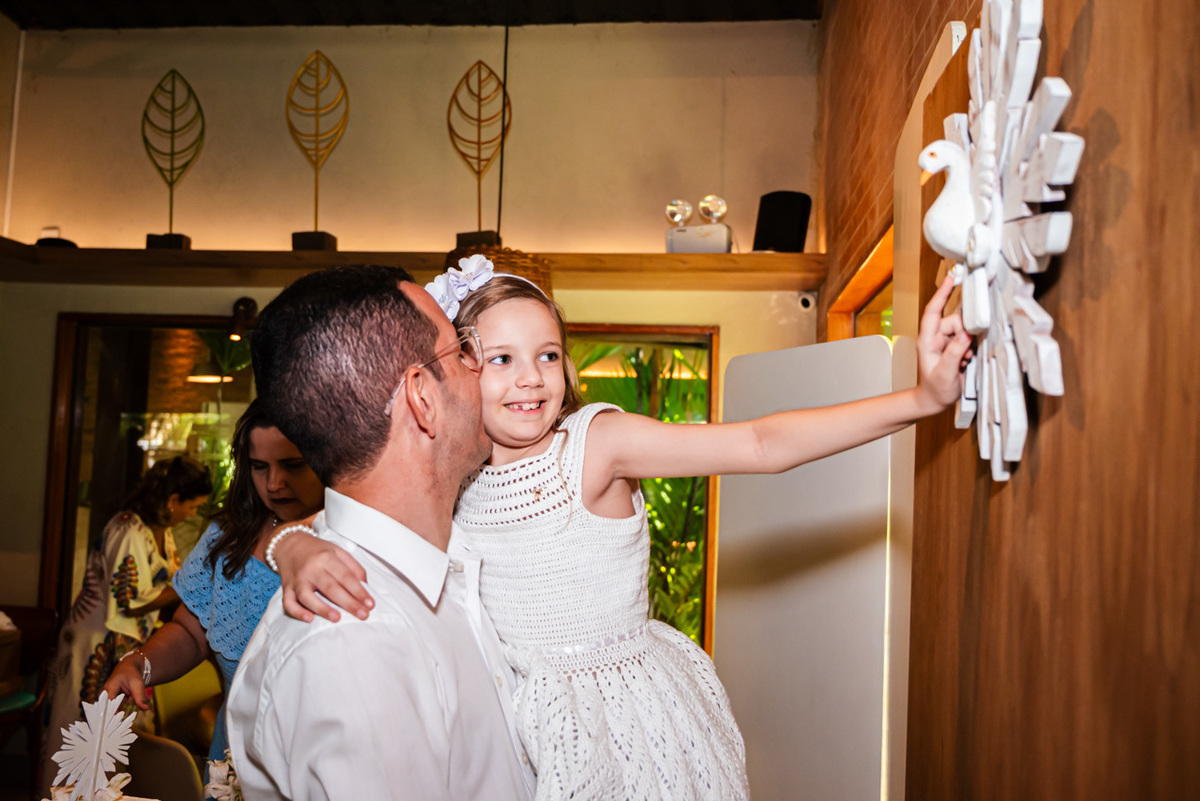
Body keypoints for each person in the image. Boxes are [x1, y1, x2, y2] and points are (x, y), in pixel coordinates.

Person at [276, 255, 973, 801]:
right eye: (501, 359)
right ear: (458, 372)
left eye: (548, 354)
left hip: (627, 724)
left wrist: (920, 397)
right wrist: (292, 545)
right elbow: (339, 515)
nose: (531, 379)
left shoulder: (596, 444)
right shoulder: (459, 473)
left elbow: (759, 444)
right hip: (526, 722)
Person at [225, 264, 535, 800]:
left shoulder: (455, 562)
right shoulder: (352, 644)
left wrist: (287, 542)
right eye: (462, 350)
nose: (479, 369)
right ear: (422, 397)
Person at [102, 399, 325, 785]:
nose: (273, 483)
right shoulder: (227, 538)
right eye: (259, 467)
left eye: (292, 465)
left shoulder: (352, 543)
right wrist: (140, 663)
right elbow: (192, 631)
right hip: (231, 766)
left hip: (315, 772)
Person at [44, 457, 212, 782]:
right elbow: (128, 600)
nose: (194, 514)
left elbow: (164, 587)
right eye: (193, 506)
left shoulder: (162, 534)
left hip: (127, 646)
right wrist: (187, 586)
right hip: (94, 646)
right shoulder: (127, 528)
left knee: (117, 743)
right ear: (173, 500)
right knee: (83, 738)